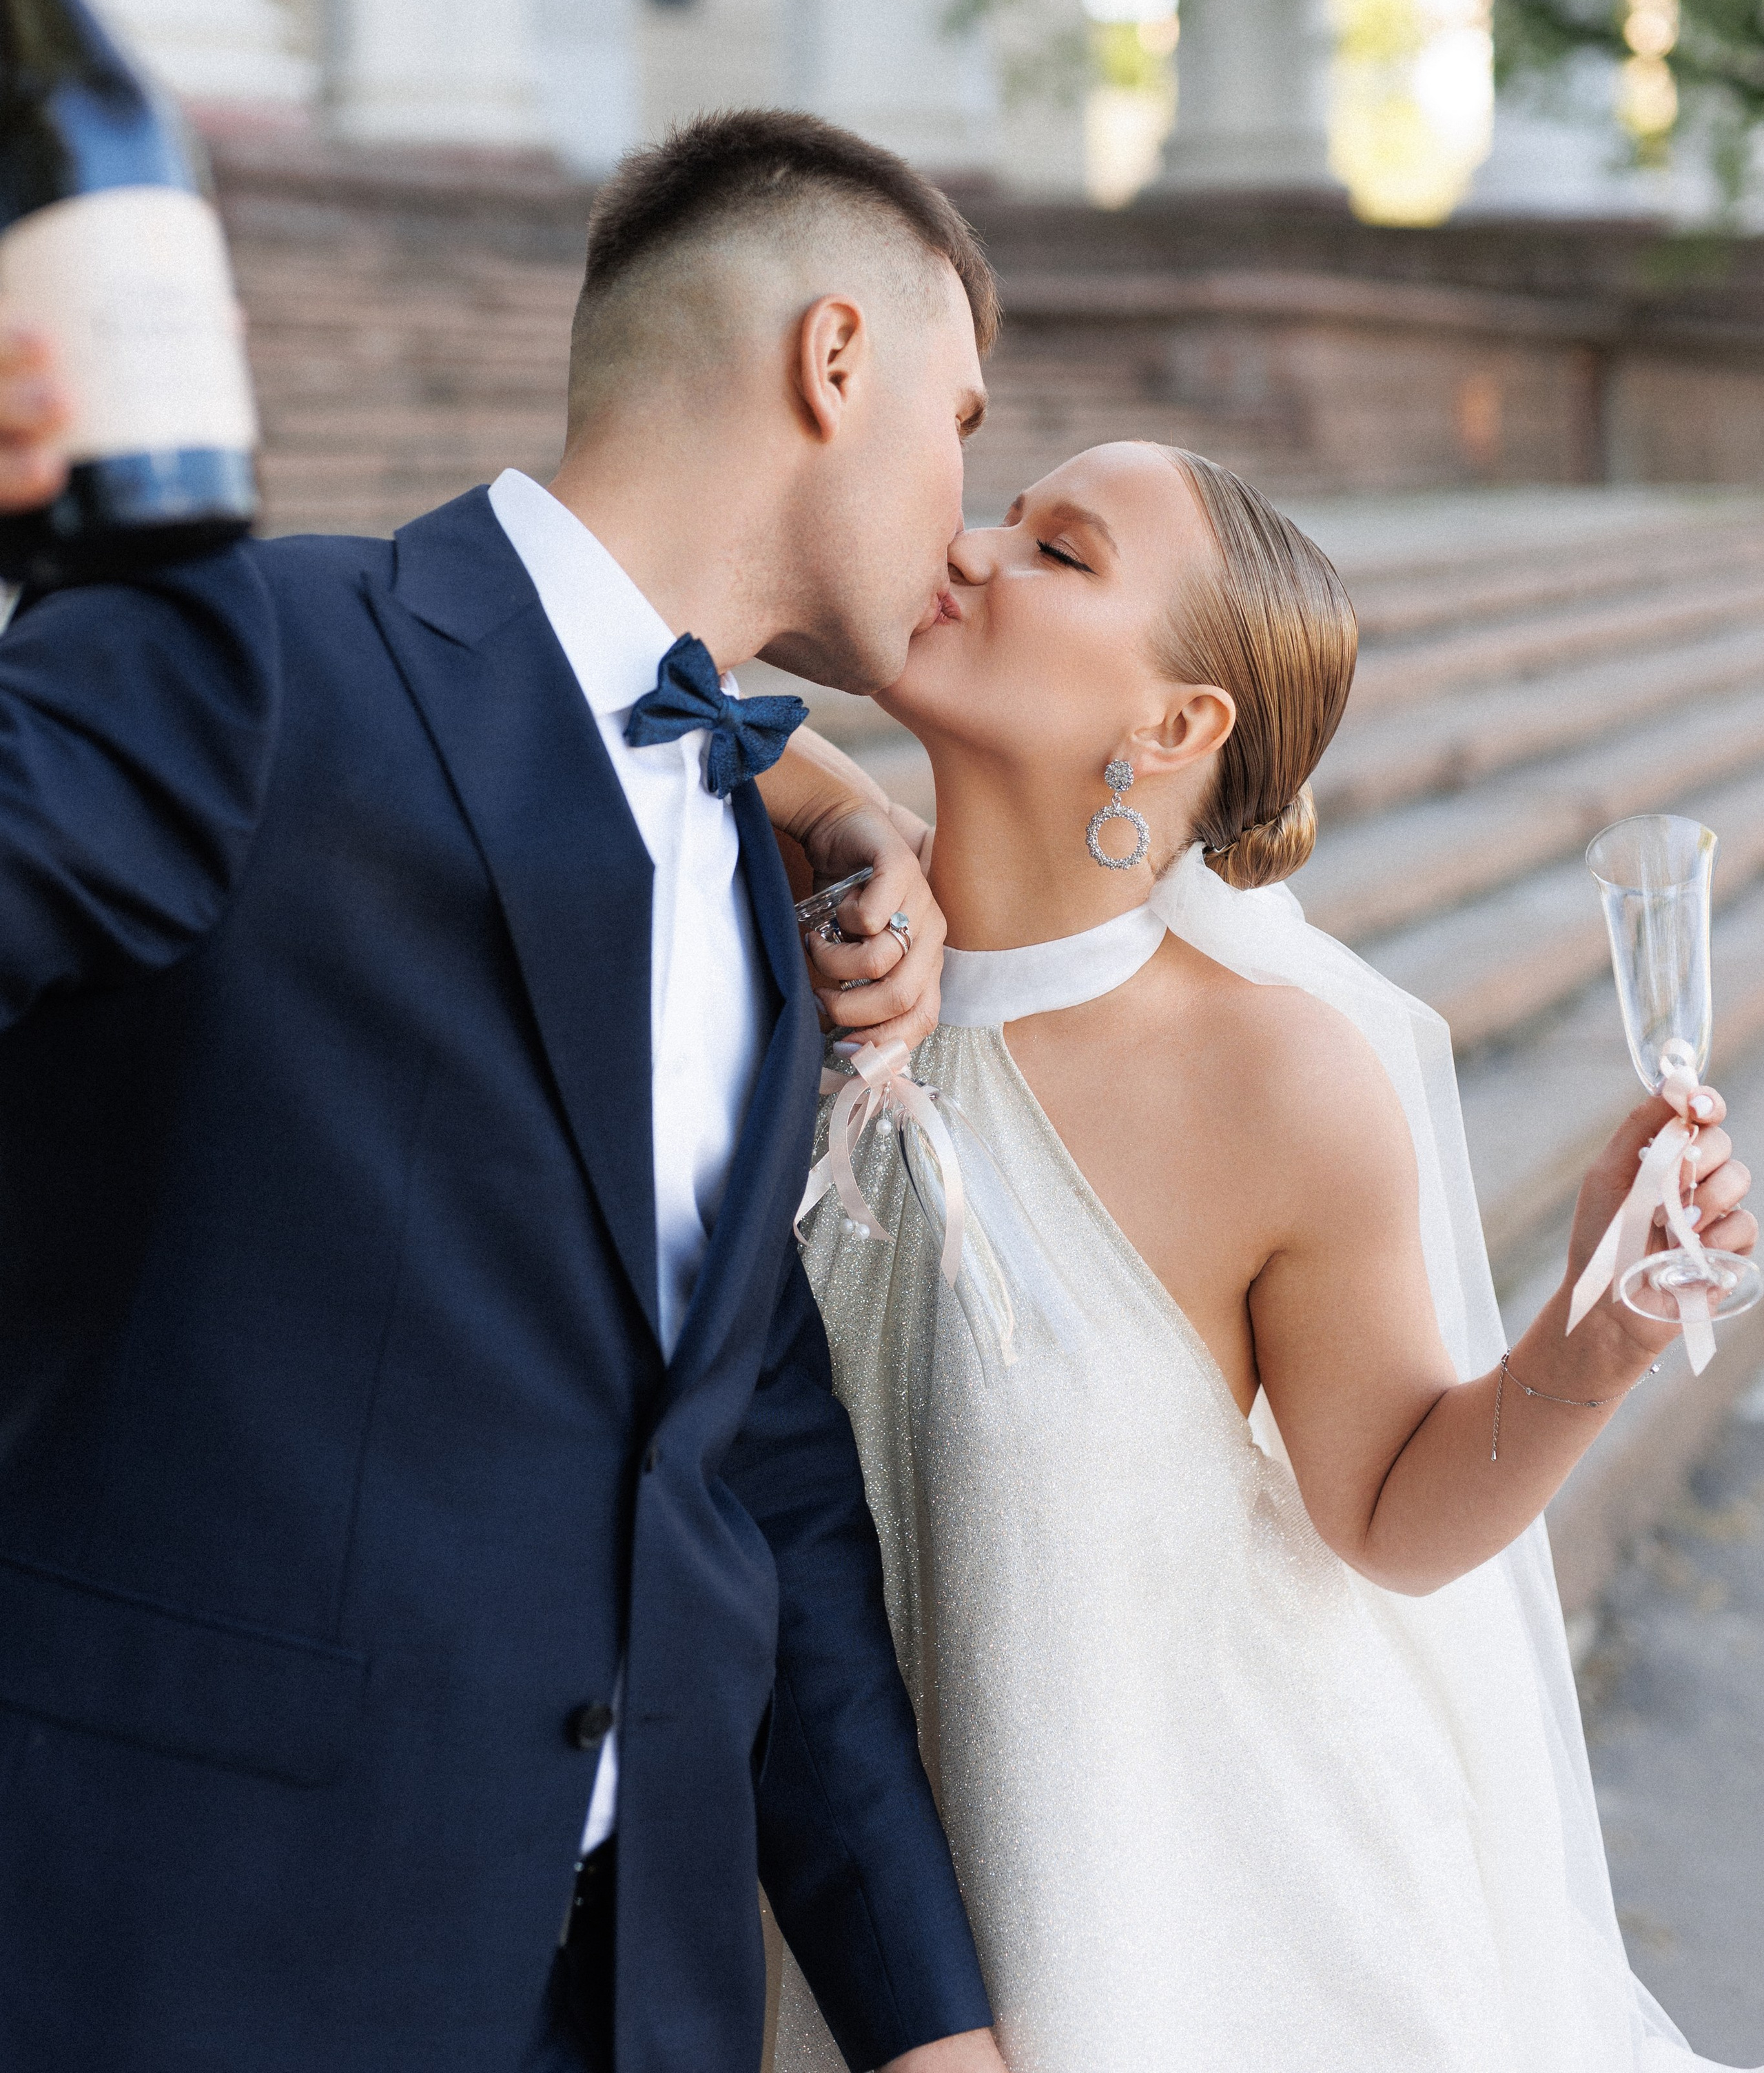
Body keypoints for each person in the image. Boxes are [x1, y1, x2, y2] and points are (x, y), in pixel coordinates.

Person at [0, 112, 1014, 2073]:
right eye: (962, 417)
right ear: (835, 360)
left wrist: (927, 2025)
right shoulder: (263, 662)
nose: (969, 514)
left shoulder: (752, 859)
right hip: (184, 1960)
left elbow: (751, 1472)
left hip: (619, 2008)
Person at [771, 437, 1760, 2073]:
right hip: (857, 1939)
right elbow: (604, 666)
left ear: (1173, 728)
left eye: (1059, 552)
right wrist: (832, 798)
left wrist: (1594, 1338)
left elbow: (1382, 1511)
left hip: (1205, 1952)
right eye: (1005, 511)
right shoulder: (805, 937)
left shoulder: (1274, 1078)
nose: (968, 545)